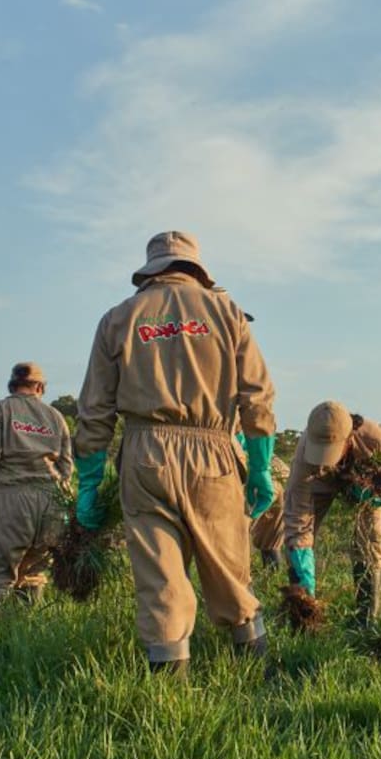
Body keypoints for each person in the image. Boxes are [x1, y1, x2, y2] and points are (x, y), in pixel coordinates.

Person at [74, 230, 277, 674]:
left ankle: (169, 685)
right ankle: (257, 674)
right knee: (228, 567)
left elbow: (94, 409)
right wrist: (261, 467)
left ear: (151, 271)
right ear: (195, 268)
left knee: (160, 577)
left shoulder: (118, 319)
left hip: (144, 455)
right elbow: (257, 397)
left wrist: (88, 483)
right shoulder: (227, 312)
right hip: (213, 454)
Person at [0, 362, 73, 617]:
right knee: (35, 569)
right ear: (40, 387)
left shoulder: (0, 410)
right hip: (51, 502)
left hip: (12, 498)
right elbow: (67, 467)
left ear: (12, 385)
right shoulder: (55, 416)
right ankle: (28, 626)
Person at [281, 401, 381, 626]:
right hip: (319, 480)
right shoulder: (304, 455)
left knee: (369, 537)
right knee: (297, 540)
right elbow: (297, 513)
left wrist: (378, 494)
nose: (325, 457)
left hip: (361, 481)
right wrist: (301, 558)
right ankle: (302, 615)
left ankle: (368, 617)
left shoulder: (376, 440)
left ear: (349, 438)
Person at [248, 452, 289, 567]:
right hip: (278, 472)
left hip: (258, 474)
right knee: (269, 538)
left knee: (238, 528)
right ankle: (271, 576)